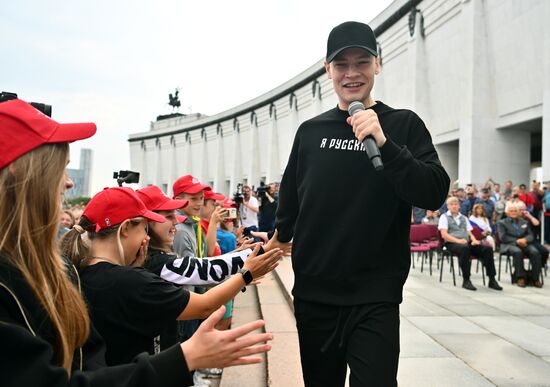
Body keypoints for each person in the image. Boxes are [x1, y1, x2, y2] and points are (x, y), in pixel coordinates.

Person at [0, 98, 273, 386]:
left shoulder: (60, 269)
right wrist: (185, 357)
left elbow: (86, 363)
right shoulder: (115, 278)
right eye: (61, 168)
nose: (68, 183)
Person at [275, 21, 450, 387]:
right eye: (341, 65)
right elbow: (290, 207)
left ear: (378, 65)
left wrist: (385, 144)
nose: (352, 73)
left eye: (362, 62)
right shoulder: (310, 132)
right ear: (328, 70)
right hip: (316, 296)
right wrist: (269, 247)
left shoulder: (402, 126)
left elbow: (434, 192)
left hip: (375, 297)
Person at [61, 186, 283, 366]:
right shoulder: (131, 280)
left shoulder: (78, 270)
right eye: (144, 227)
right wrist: (246, 272)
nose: (175, 221)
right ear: (126, 228)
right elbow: (204, 296)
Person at [439, 197, 502, 291]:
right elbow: (444, 235)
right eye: (451, 204)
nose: (454, 206)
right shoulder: (444, 217)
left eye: (456, 204)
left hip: (466, 243)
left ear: (459, 206)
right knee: (465, 249)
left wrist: (474, 240)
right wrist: (458, 241)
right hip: (452, 243)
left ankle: (492, 279)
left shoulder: (464, 217)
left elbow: (469, 232)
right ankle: (466, 279)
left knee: (487, 249)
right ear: (448, 206)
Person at [497, 202, 542, 287]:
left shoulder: (524, 221)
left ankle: (535, 278)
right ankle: (520, 277)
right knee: (517, 252)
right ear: (507, 213)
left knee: (535, 252)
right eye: (511, 211)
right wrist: (517, 241)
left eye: (515, 211)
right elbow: (503, 237)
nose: (514, 212)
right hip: (509, 244)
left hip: (524, 243)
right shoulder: (502, 223)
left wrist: (525, 239)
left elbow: (530, 235)